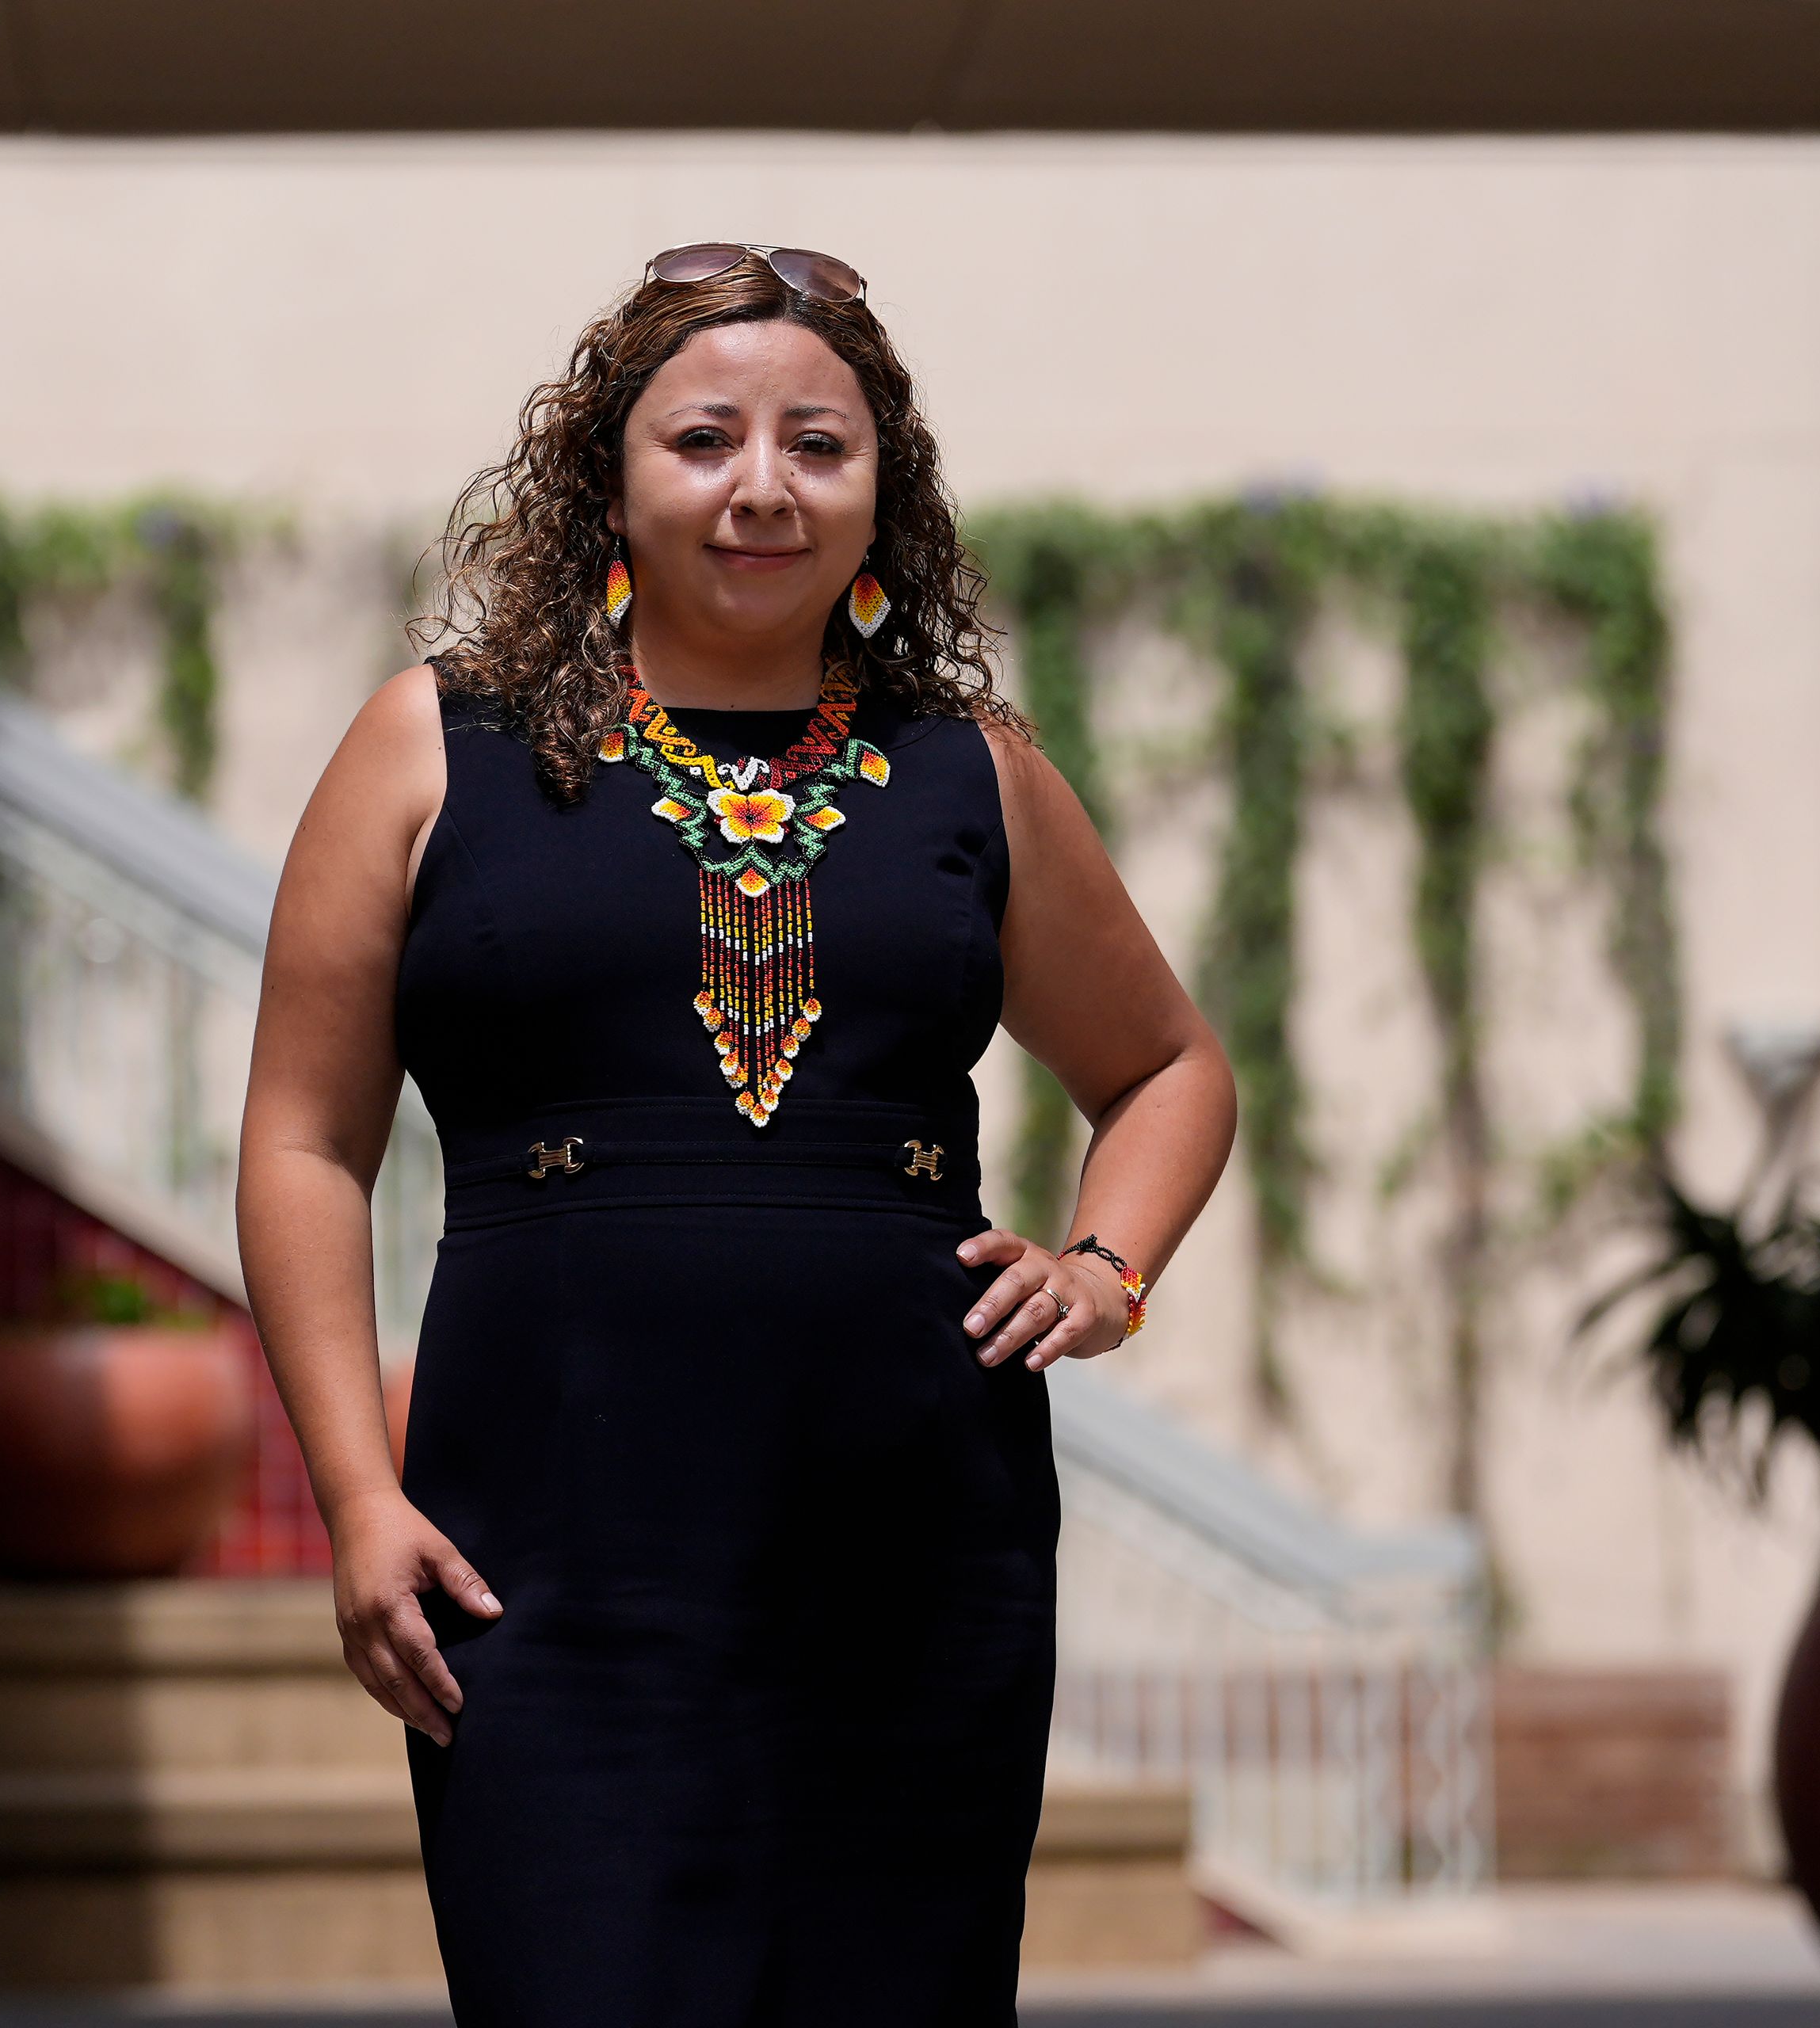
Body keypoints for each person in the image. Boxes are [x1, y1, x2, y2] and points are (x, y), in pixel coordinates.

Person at [235, 242, 1237, 2026]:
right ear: (610, 473)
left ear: (881, 496)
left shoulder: (973, 772)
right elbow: (309, 1140)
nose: (762, 485)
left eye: (818, 446)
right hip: (544, 1548)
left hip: (917, 1546)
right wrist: (354, 1495)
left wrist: (1108, 1269)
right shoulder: (430, 748)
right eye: (706, 438)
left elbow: (1167, 1068)